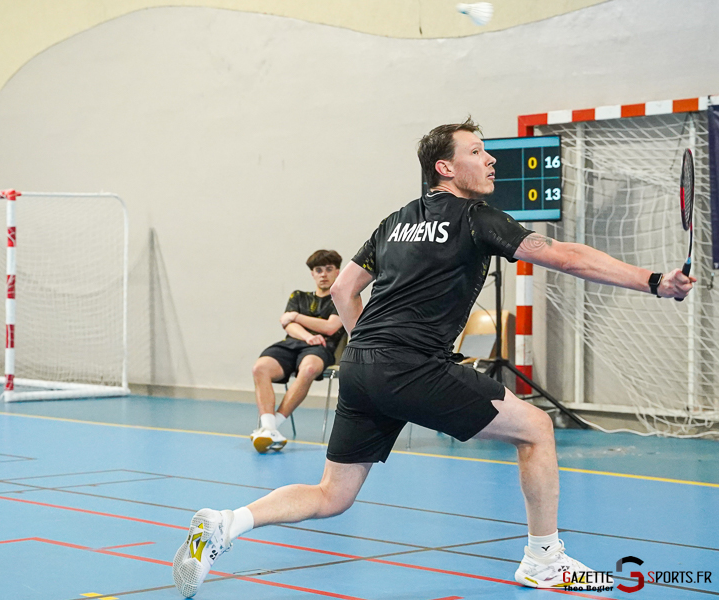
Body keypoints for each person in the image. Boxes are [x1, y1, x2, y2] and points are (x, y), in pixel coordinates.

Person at [172, 118, 696, 597]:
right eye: (477, 151)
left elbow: (345, 291)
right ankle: (545, 560)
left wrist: (370, 347)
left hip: (361, 365)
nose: (490, 159)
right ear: (445, 168)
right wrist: (652, 280)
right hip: (413, 365)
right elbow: (564, 256)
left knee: (332, 495)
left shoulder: (394, 221)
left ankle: (227, 522)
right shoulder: (477, 218)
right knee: (536, 428)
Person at [249, 249, 345, 453]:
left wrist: (296, 316)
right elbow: (288, 325)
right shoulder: (298, 296)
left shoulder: (341, 299)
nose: (323, 274)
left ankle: (271, 428)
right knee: (260, 368)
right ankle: (269, 428)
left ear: (337, 272)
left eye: (329, 269)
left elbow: (330, 327)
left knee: (309, 369)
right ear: (312, 274)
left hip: (321, 349)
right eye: (318, 270)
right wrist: (307, 336)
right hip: (292, 345)